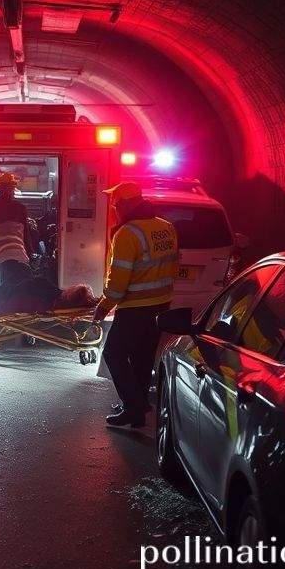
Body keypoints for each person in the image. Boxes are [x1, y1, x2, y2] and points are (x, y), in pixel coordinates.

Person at [92, 182, 180, 428]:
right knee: (142, 357)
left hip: (135, 307)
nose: (115, 210)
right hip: (161, 304)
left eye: (117, 206)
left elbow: (118, 279)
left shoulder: (127, 234)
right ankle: (138, 407)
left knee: (114, 354)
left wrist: (104, 305)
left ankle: (134, 406)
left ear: (127, 205)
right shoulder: (166, 227)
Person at [0, 172, 34, 285]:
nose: (13, 192)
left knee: (1, 281)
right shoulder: (20, 208)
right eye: (12, 189)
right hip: (20, 255)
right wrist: (30, 253)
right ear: (9, 189)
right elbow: (26, 234)